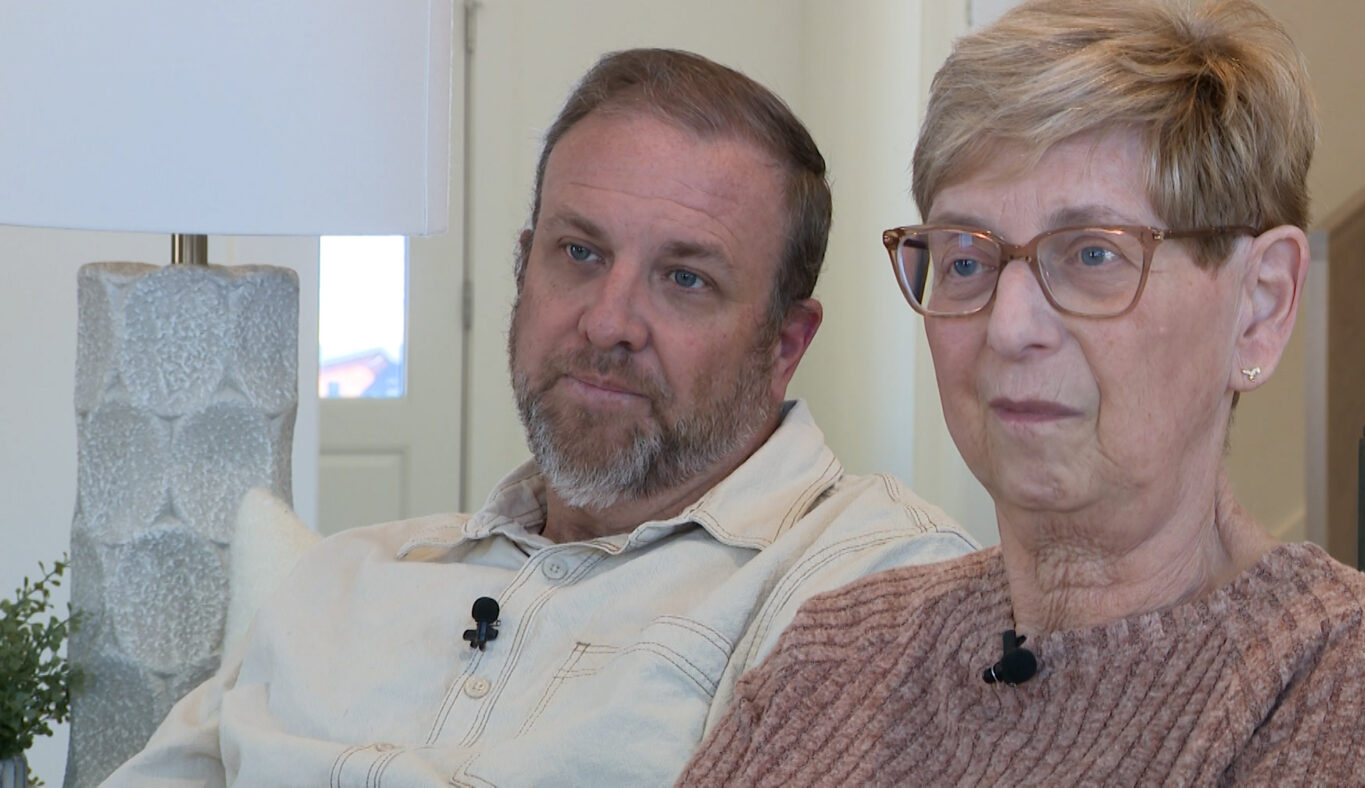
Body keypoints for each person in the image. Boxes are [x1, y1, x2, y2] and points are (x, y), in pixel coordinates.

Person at [682, 0, 1365, 785]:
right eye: (967, 259)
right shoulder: (836, 649)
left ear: (1260, 305)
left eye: (1093, 253)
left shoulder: (1352, 677)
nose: (1009, 326)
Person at [105, 48, 978, 786]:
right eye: (580, 253)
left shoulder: (865, 588)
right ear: (524, 274)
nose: (608, 322)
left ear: (785, 343)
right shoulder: (341, 579)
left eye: (685, 278)